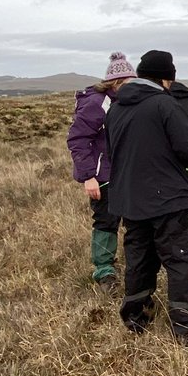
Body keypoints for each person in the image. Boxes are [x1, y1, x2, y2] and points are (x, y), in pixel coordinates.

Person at [106, 49, 188, 340]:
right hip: (169, 198)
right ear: (167, 78)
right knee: (180, 258)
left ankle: (136, 317)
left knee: (139, 258)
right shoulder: (164, 105)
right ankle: (187, 325)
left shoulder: (115, 107)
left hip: (131, 199)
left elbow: (112, 151)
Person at [66, 51, 136, 290]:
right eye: (129, 81)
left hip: (124, 172)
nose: (133, 85)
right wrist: (88, 177)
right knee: (106, 221)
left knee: (132, 218)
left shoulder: (123, 101)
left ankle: (133, 263)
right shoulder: (97, 104)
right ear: (117, 82)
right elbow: (78, 139)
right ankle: (104, 271)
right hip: (103, 177)